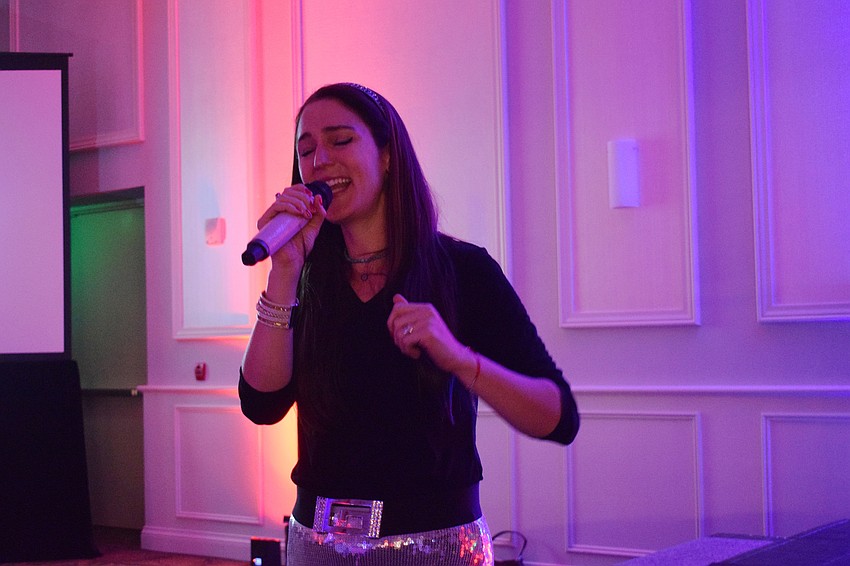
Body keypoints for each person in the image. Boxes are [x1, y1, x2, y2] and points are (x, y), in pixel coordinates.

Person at [239, 82, 579, 565]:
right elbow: (262, 404)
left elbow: (559, 416)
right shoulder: (304, 276)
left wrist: (460, 359)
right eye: (306, 149)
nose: (318, 161)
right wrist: (285, 273)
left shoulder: (463, 269)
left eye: (340, 140)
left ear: (386, 156)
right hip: (316, 546)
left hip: (433, 546)